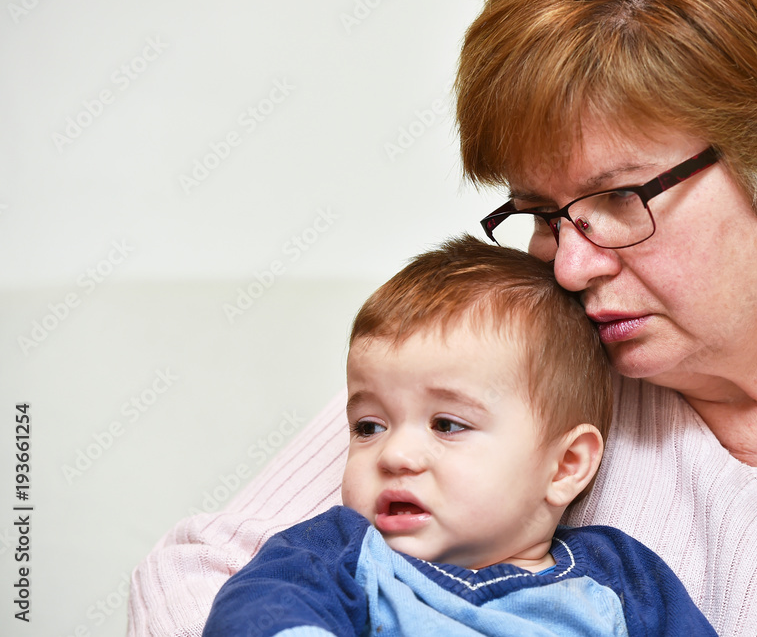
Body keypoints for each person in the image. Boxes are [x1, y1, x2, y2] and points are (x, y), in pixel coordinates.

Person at [129, 0, 757, 635]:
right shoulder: (524, 349)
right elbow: (192, 581)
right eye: (541, 213)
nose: (571, 266)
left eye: (621, 200)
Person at [200, 235, 717, 636]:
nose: (395, 454)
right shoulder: (341, 553)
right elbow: (257, 610)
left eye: (447, 425)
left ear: (565, 466)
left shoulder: (622, 580)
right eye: (368, 427)